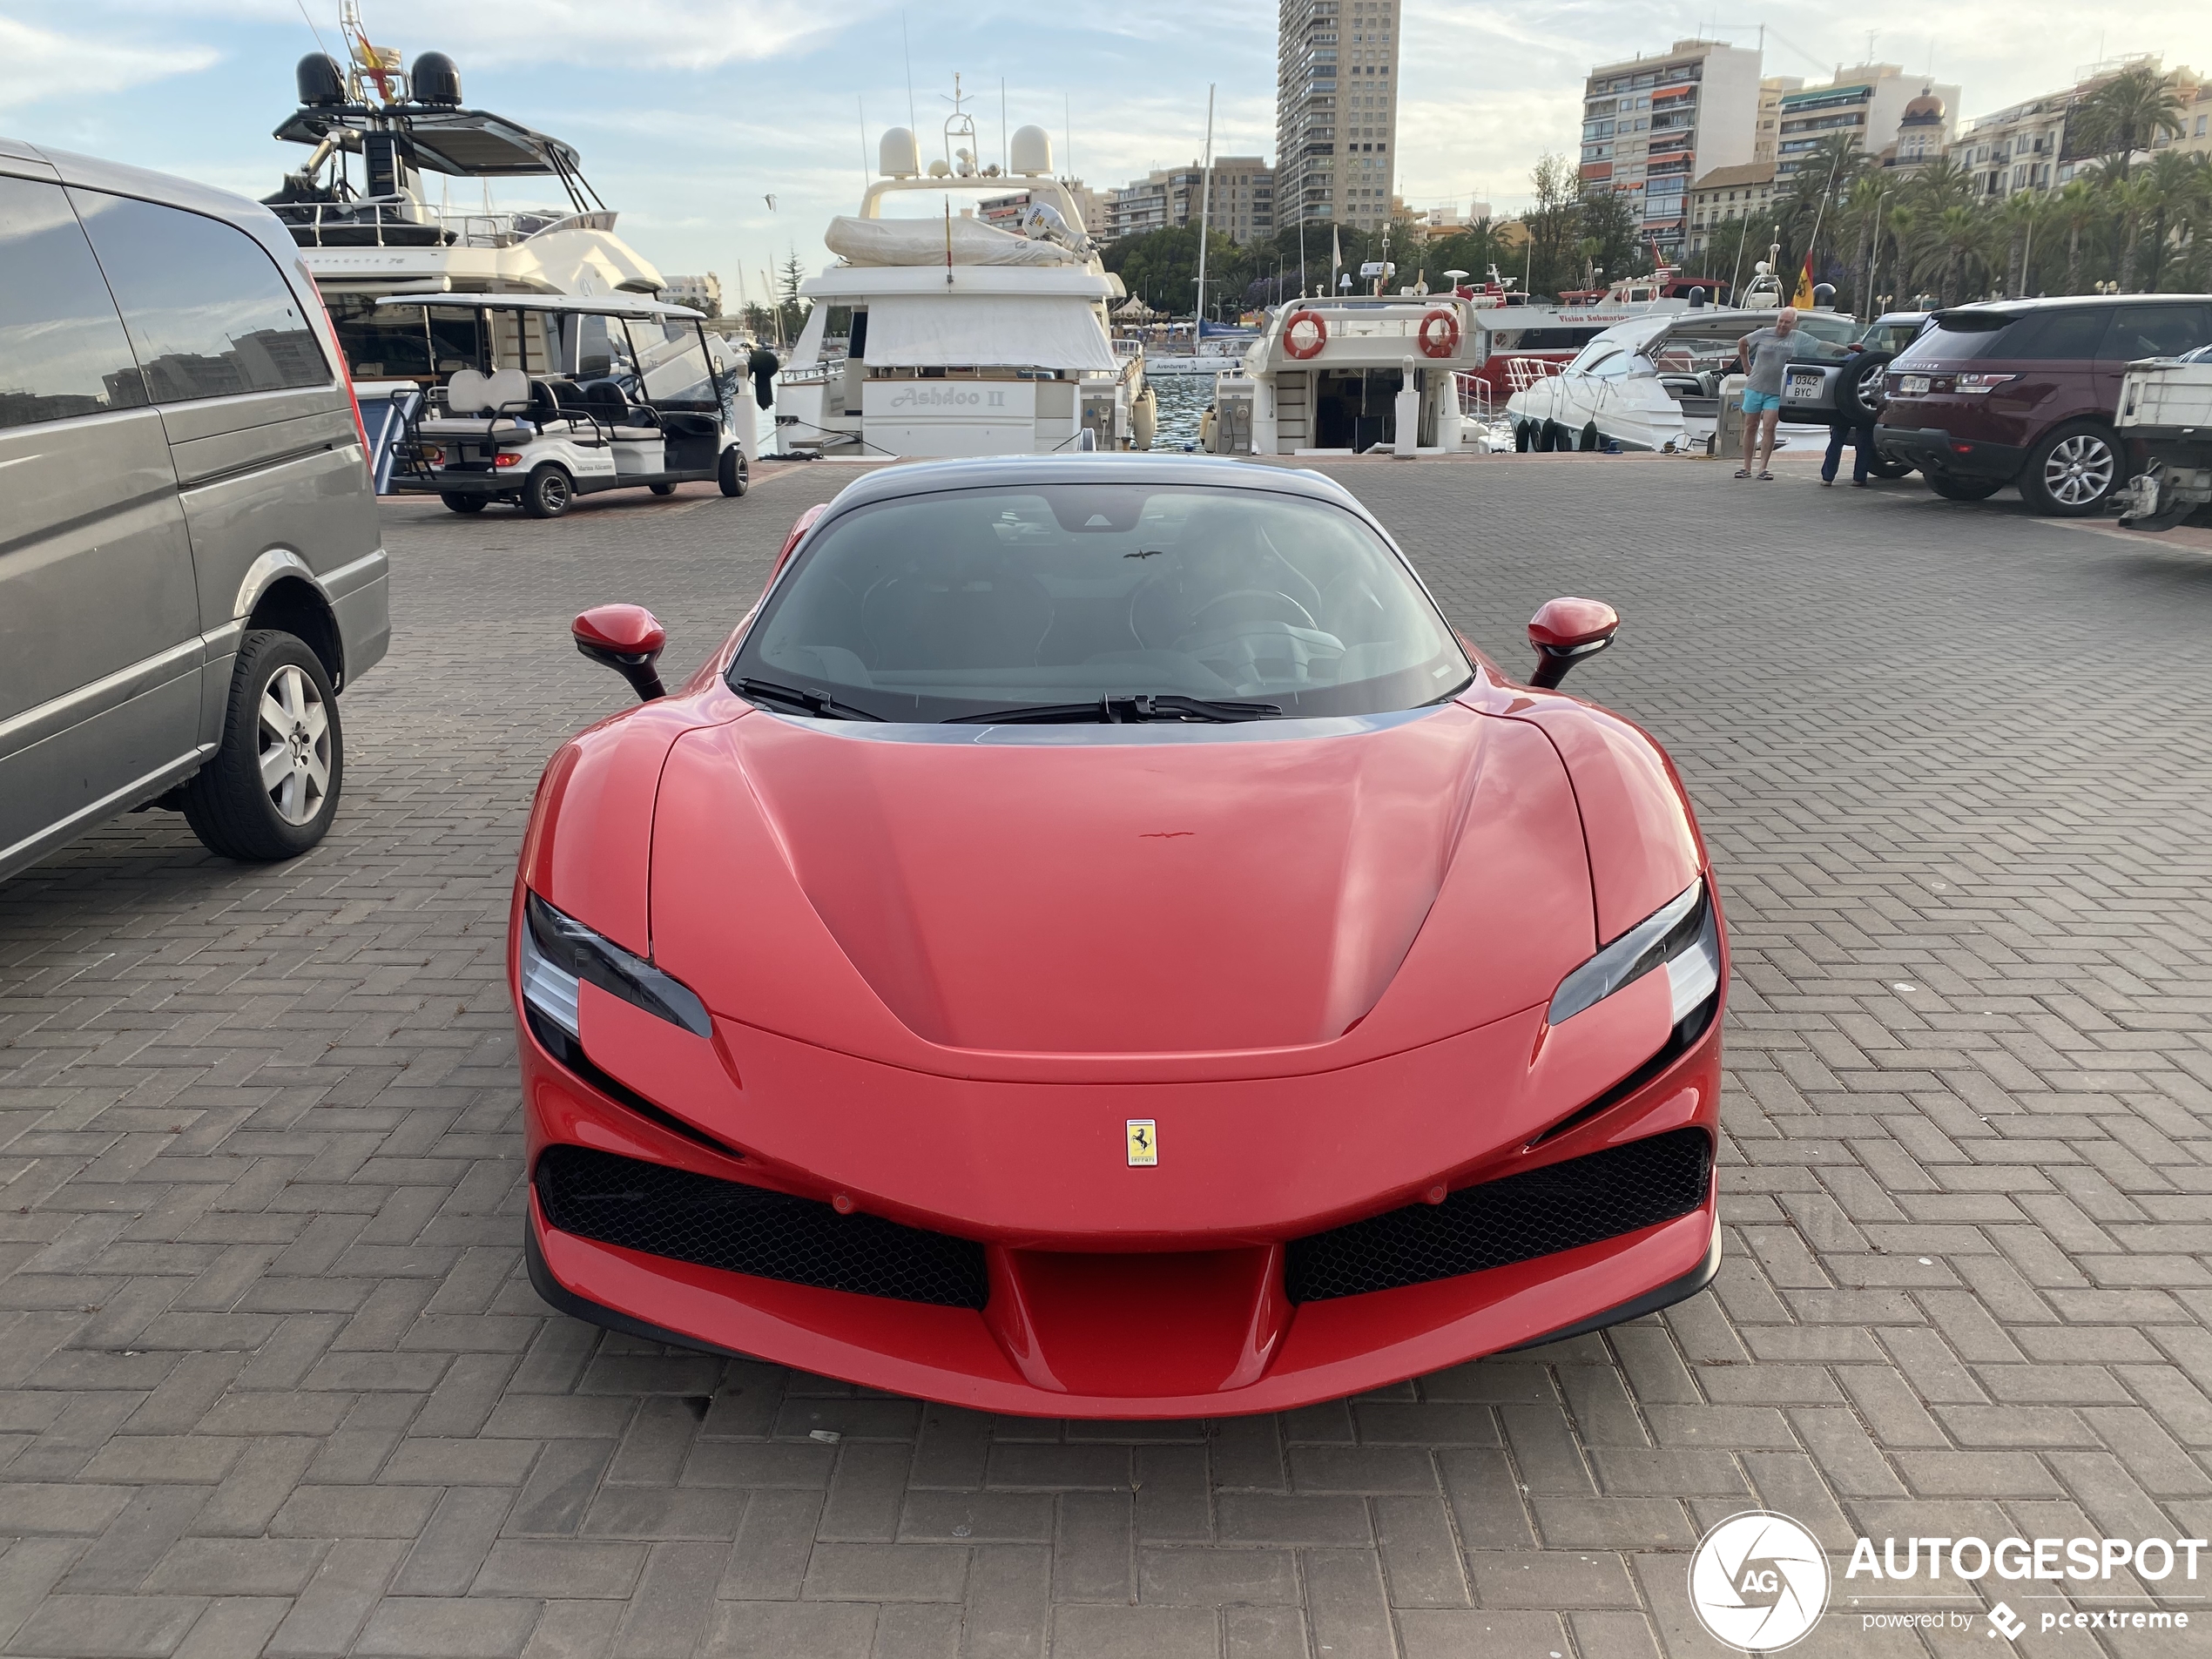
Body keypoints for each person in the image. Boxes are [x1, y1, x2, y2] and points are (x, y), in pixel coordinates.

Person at [1733, 307, 1799, 481]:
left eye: (1787, 322)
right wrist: (1746, 365)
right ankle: (1746, 466)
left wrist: (1845, 350)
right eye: (1781, 321)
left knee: (1770, 426)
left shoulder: (1797, 337)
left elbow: (1819, 345)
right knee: (1751, 426)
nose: (1783, 325)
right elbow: (1742, 343)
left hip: (1777, 391)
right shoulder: (1763, 334)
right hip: (1755, 386)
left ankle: (1763, 467)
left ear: (1793, 324)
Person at [1822, 342, 1872, 486]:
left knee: (1836, 441)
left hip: (1844, 406)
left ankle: (1828, 477)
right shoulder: (1874, 362)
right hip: (1865, 405)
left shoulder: (1846, 361)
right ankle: (1859, 477)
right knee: (1864, 443)